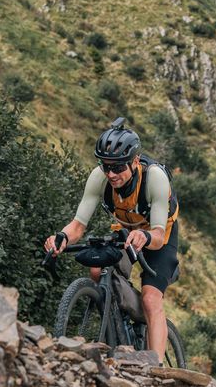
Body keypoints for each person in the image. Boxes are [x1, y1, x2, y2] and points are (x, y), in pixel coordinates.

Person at [44, 117, 179, 364]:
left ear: (135, 161)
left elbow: (158, 237)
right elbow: (78, 225)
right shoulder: (100, 178)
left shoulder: (155, 178)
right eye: (106, 166)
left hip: (159, 235)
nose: (111, 174)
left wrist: (145, 235)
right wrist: (62, 237)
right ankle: (122, 317)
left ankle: (156, 370)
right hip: (126, 230)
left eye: (118, 167)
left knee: (151, 298)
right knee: (97, 270)